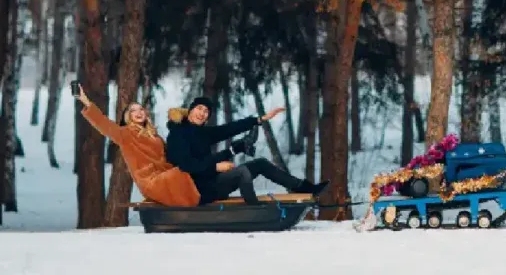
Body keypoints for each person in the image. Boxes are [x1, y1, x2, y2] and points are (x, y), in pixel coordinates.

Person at [165, 97, 328, 205]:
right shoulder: (177, 134)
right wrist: (215, 167)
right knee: (242, 172)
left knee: (260, 164)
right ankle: (253, 209)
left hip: (212, 181)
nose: (202, 113)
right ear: (191, 110)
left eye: (206, 111)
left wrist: (258, 120)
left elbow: (229, 128)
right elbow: (185, 166)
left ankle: (302, 187)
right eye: (199, 108)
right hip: (197, 190)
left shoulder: (202, 132)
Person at [75, 85, 201, 207]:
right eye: (133, 110)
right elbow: (104, 124)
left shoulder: (154, 135)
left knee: (193, 168)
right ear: (128, 116)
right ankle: (194, 204)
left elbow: (171, 154)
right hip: (150, 181)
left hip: (165, 175)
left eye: (141, 109)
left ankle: (202, 202)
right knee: (180, 173)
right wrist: (85, 100)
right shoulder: (126, 134)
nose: (138, 112)